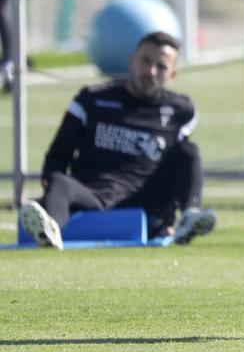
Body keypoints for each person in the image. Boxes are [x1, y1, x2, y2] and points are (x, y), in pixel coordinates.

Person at [19, 32, 216, 249]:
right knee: (60, 182)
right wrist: (51, 193)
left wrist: (167, 219)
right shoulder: (92, 99)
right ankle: (49, 229)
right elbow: (57, 155)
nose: (151, 71)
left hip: (144, 199)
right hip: (93, 196)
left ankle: (189, 216)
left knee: (188, 150)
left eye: (161, 66)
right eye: (146, 61)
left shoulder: (181, 111)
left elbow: (180, 167)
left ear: (172, 74)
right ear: (132, 61)